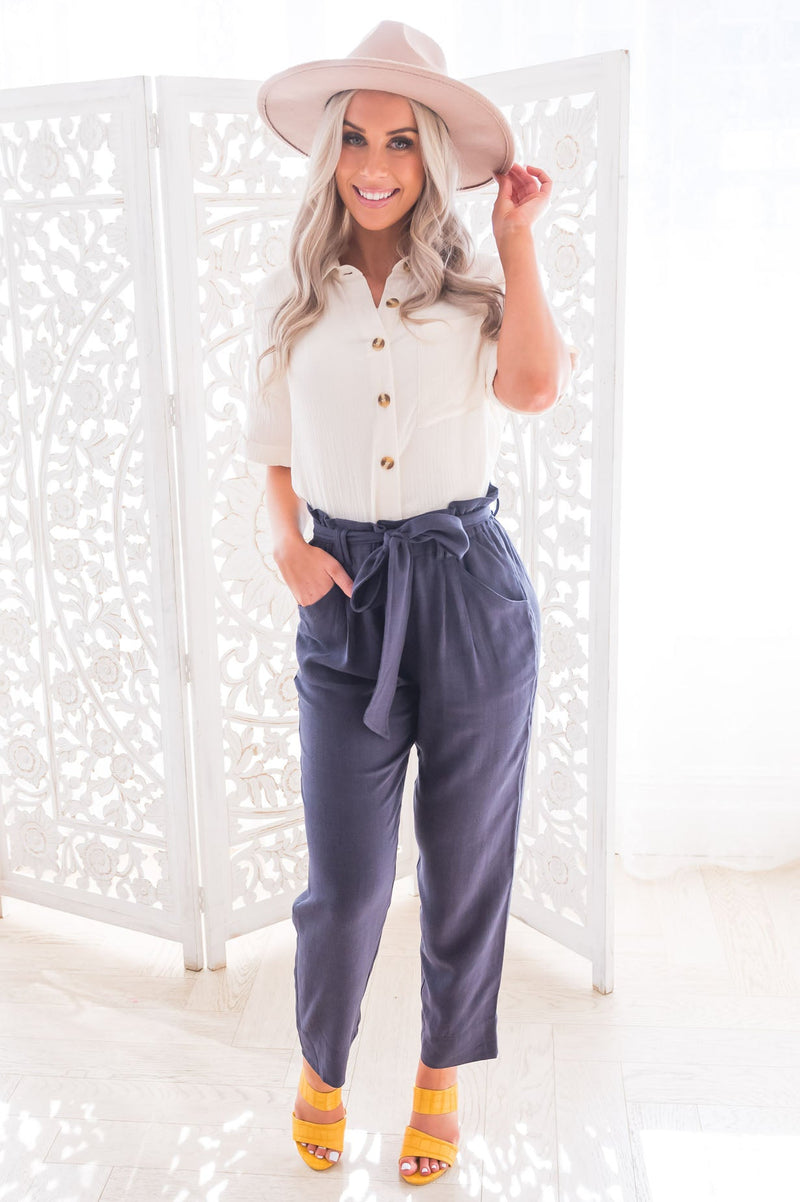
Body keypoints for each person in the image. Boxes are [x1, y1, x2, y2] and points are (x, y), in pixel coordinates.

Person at [246, 20, 573, 1187]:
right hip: (345, 599)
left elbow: (532, 386)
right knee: (345, 886)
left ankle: (439, 1073)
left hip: (469, 590)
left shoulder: (472, 293)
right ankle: (321, 1062)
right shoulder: (295, 300)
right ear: (329, 152)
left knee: (463, 865)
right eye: (354, 138)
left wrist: (517, 240)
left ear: (430, 156)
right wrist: (287, 547)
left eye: (398, 141)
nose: (374, 164)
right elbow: (270, 448)